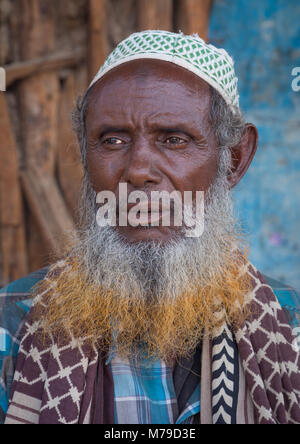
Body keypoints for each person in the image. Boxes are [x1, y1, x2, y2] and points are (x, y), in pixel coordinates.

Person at [1, 30, 300, 424]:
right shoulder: (13, 329)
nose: (138, 171)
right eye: (112, 141)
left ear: (235, 159)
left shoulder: (289, 327)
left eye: (174, 140)